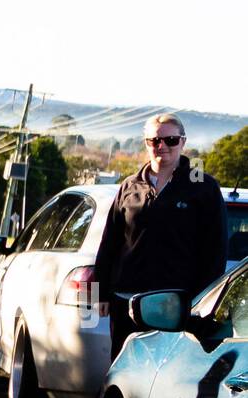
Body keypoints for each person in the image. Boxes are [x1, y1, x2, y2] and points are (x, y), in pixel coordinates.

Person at [94, 113, 228, 360]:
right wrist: (98, 294)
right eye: (154, 140)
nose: (162, 146)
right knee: (123, 376)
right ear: (146, 143)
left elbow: (215, 251)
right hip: (127, 303)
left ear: (183, 142)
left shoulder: (203, 187)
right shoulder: (129, 186)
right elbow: (108, 244)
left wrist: (201, 304)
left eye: (171, 140)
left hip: (177, 307)